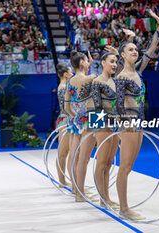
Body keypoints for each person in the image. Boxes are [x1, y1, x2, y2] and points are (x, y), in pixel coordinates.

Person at [114, 9, 159, 220]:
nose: (135, 51)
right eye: (131, 49)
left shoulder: (138, 71)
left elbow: (152, 48)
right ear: (122, 55)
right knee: (124, 166)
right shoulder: (122, 75)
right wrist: (126, 122)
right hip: (128, 123)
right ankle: (124, 209)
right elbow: (118, 104)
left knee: (130, 166)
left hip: (139, 122)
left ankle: (124, 205)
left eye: (136, 49)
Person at [64, 50, 97, 202]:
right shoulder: (91, 77)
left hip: (76, 120)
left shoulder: (70, 82)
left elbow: (66, 107)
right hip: (89, 119)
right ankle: (80, 194)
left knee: (75, 158)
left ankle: (76, 190)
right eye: (86, 61)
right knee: (84, 159)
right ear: (83, 63)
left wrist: (74, 116)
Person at [91, 51, 120, 209]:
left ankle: (107, 197)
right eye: (111, 61)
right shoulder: (97, 81)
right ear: (103, 63)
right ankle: (102, 198)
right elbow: (97, 106)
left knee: (109, 163)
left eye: (116, 61)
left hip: (114, 124)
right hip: (101, 122)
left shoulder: (114, 81)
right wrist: (111, 117)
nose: (114, 64)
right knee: (101, 163)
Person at [56, 64, 73, 187]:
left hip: (66, 119)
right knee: (63, 153)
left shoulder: (65, 86)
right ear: (66, 74)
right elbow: (65, 108)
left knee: (65, 152)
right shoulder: (63, 87)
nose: (72, 75)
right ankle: (62, 180)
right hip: (65, 120)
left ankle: (63, 180)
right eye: (71, 73)